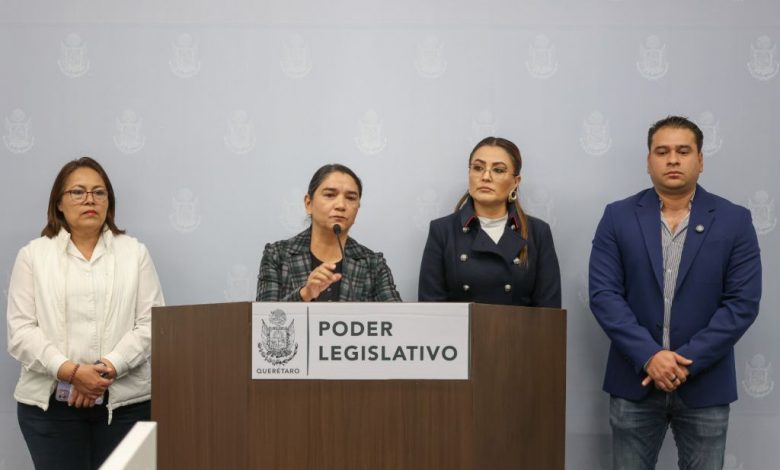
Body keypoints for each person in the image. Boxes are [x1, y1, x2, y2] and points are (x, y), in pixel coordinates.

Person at [588, 116, 762, 469]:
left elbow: (742, 304)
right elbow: (604, 295)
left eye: (683, 151)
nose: (672, 160)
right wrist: (650, 355)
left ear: (700, 160)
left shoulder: (735, 220)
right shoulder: (617, 216)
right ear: (648, 160)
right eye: (662, 151)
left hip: (705, 384)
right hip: (634, 382)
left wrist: (685, 362)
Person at [6, 157, 165, 469]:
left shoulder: (135, 253)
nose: (90, 199)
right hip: (50, 410)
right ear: (59, 203)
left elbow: (153, 323)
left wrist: (106, 370)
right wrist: (72, 373)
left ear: (109, 202)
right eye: (78, 192)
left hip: (127, 407)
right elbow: (21, 332)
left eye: (99, 192)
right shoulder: (32, 256)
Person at [418, 137, 561, 307]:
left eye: (498, 170)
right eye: (478, 168)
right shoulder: (442, 231)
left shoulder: (537, 232)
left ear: (515, 182)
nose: (485, 177)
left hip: (518, 326)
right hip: (462, 326)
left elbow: (548, 313)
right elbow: (431, 310)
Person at [256, 163, 401, 302]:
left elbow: (397, 316)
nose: (341, 205)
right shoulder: (277, 256)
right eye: (330, 195)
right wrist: (305, 294)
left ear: (358, 207)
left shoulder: (373, 264)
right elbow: (265, 317)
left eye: (351, 198)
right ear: (308, 203)